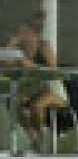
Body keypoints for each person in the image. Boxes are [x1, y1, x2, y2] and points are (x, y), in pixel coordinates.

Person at [5, 9, 67, 144]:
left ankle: (41, 138)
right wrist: (11, 47)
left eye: (26, 33)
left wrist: (31, 65)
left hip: (51, 91)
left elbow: (53, 72)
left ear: (34, 34)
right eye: (20, 34)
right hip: (29, 90)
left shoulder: (44, 47)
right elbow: (6, 65)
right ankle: (32, 135)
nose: (23, 37)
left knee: (36, 106)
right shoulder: (19, 54)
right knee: (13, 102)